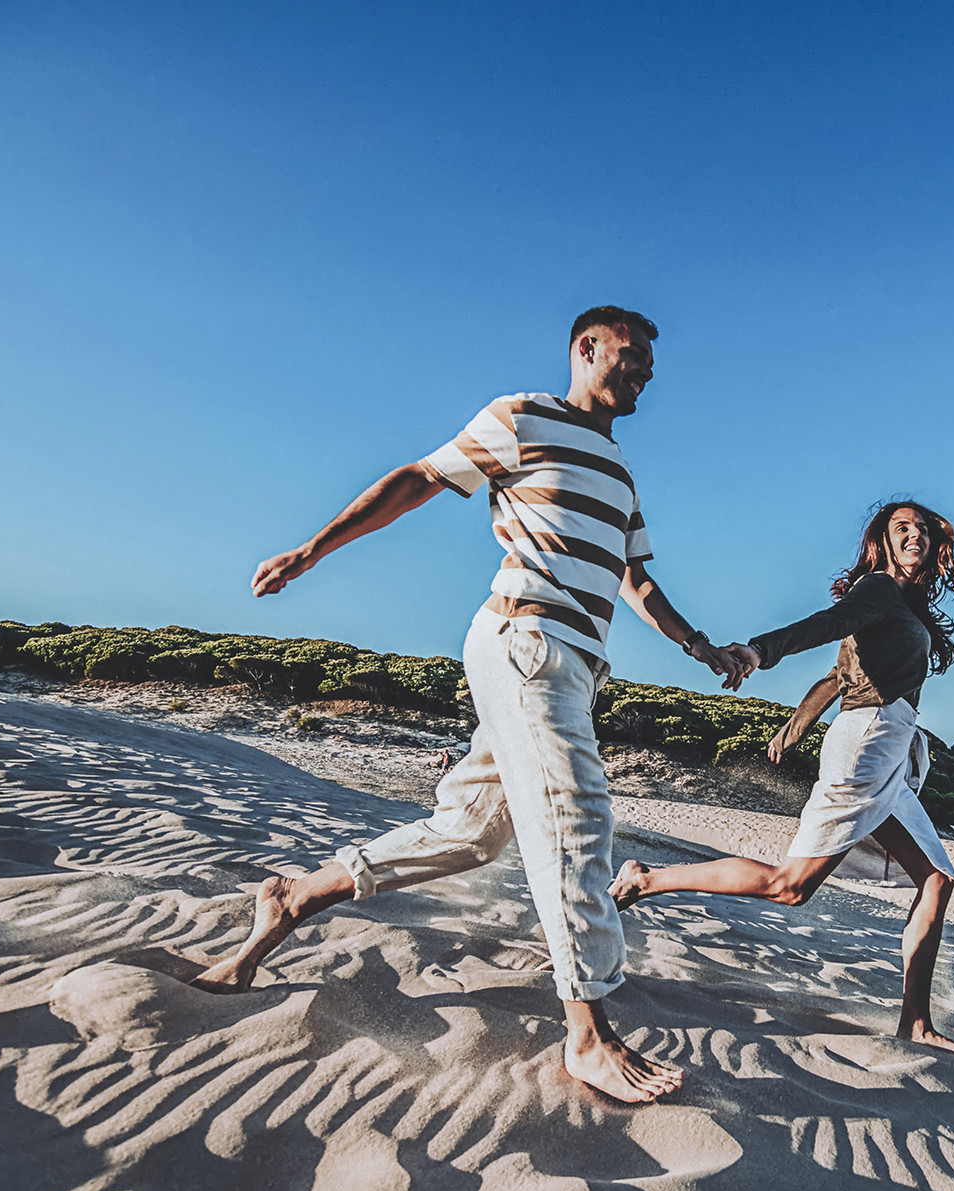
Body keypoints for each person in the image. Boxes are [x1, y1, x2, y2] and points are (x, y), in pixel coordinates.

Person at [194, 306, 746, 1104]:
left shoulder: (620, 474)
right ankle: (586, 1035)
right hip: (525, 639)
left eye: (649, 364)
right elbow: (418, 478)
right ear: (585, 349)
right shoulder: (521, 417)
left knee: (473, 832)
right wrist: (313, 549)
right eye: (631, 355)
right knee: (576, 818)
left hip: (577, 666)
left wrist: (699, 644)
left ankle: (294, 896)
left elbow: (638, 580)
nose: (644, 372)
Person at [611, 501, 954, 1060]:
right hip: (869, 743)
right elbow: (823, 626)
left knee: (935, 880)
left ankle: (915, 1023)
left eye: (923, 530)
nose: (915, 536)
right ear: (882, 542)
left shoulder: (902, 605)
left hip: (891, 744)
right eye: (901, 528)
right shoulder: (878, 588)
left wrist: (794, 728)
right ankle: (647, 878)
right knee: (790, 886)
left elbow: (838, 676)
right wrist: (760, 651)